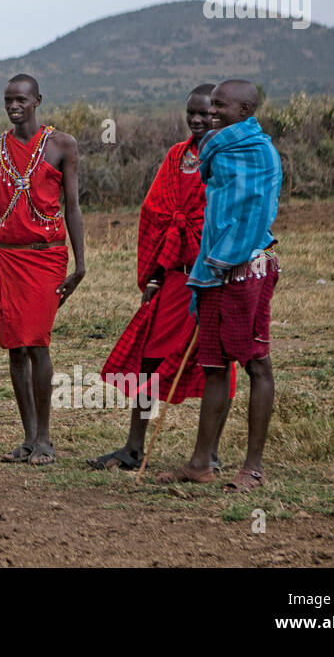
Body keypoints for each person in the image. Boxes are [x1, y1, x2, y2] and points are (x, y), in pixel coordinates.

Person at [89, 85, 235, 472]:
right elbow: (155, 211)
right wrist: (154, 274)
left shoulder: (232, 158)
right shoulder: (177, 156)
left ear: (221, 114)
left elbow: (234, 217)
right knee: (150, 357)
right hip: (176, 276)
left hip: (218, 278)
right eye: (192, 113)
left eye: (206, 113)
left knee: (215, 365)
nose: (198, 120)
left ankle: (210, 453)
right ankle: (133, 448)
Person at [157, 80, 282, 493]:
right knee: (213, 365)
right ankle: (199, 463)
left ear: (246, 108)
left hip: (245, 268)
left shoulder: (260, 153)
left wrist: (234, 254)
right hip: (212, 269)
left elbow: (258, 211)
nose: (211, 113)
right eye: (210, 106)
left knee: (256, 364)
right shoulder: (215, 150)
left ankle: (253, 468)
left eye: (220, 107)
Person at [0, 74, 85, 466]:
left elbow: (72, 206)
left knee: (37, 342)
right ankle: (27, 437)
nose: (14, 106)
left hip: (45, 256)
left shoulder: (62, 145)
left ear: (37, 100)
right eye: (9, 99)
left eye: (21, 99)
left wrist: (81, 262)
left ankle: (45, 438)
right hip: (6, 257)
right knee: (15, 347)